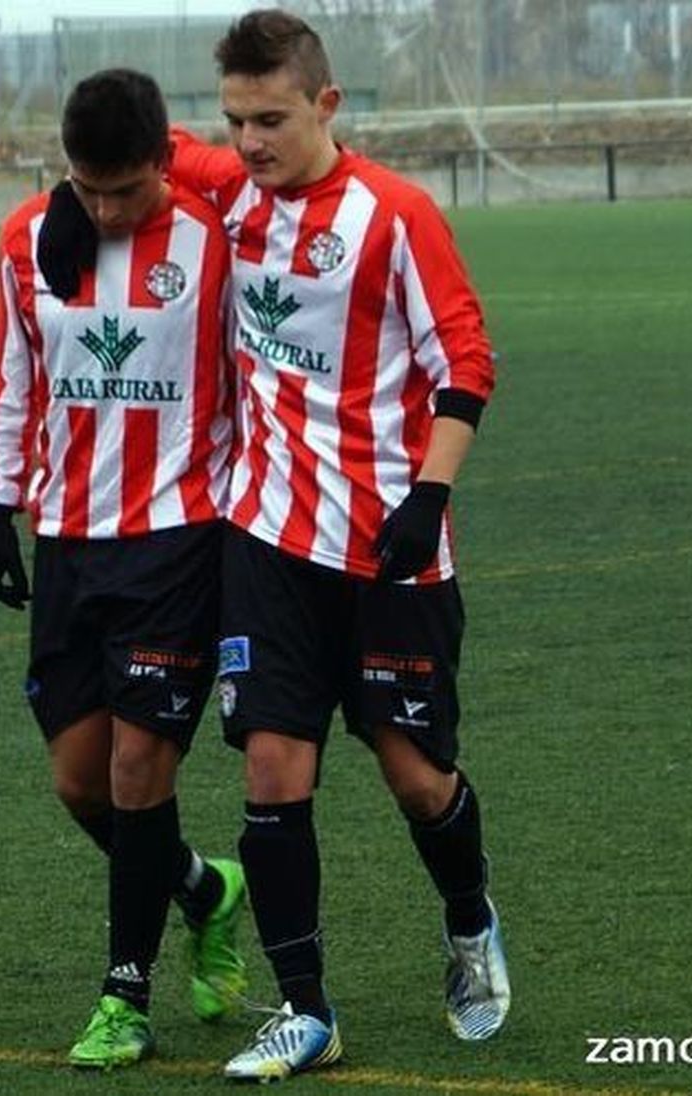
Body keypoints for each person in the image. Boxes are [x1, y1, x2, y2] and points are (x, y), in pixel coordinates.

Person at [168, 10, 510, 1081]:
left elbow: (466, 361)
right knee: (272, 768)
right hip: (264, 538)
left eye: (270, 119)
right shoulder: (228, 189)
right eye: (234, 121)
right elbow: (125, 143)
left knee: (416, 777)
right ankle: (306, 1008)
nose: (250, 141)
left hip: (388, 551)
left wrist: (427, 496)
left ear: (327, 105)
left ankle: (467, 918)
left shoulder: (394, 214)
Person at [0, 67, 246, 1070]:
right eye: (87, 190)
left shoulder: (216, 241)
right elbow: (13, 380)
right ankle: (201, 888)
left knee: (138, 769)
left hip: (180, 535)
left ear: (163, 163)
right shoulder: (29, 242)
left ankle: (123, 996)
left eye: (125, 191)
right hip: (69, 543)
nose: (106, 209)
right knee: (80, 781)